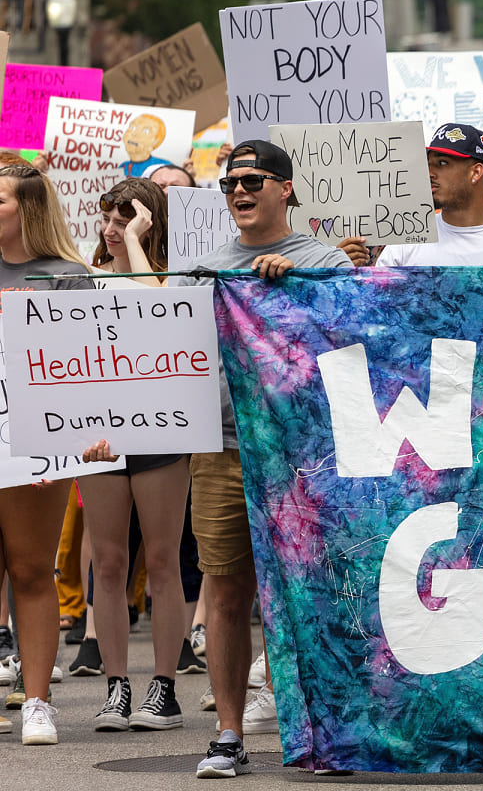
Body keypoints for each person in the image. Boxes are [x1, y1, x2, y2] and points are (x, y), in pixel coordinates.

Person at [180, 141, 354, 778]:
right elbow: (161, 367)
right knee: (226, 594)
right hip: (223, 449)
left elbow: (350, 348)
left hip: (304, 456)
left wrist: (296, 297)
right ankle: (227, 733)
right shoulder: (200, 272)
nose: (239, 191)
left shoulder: (324, 260)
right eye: (229, 183)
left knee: (313, 592)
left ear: (286, 188)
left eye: (253, 180)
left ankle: (322, 731)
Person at [72, 178, 196, 732]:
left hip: (160, 435)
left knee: (165, 561)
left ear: (152, 223)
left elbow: (155, 314)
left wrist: (140, 241)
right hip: (100, 437)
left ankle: (163, 688)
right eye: (108, 217)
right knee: (109, 561)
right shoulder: (86, 281)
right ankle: (117, 685)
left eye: (127, 217)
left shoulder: (173, 280)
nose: (112, 227)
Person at [0, 162, 95, 744]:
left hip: (31, 442)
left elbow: (84, 373)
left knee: (33, 569)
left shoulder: (66, 277)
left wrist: (58, 448)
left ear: (27, 208)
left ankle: (36, 701)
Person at [346, 123, 483, 268]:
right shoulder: (407, 242)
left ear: (476, 173)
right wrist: (342, 270)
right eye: (428, 164)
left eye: (442, 163)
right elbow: (377, 306)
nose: (429, 173)